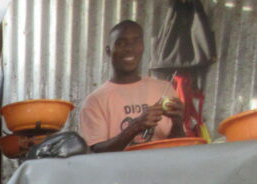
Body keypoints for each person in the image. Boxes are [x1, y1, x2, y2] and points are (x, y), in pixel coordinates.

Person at [78, 20, 185, 152]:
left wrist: (178, 123)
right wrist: (136, 126)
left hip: (163, 165)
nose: (129, 48)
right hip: (122, 166)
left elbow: (178, 148)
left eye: (136, 41)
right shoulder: (95, 101)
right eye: (121, 43)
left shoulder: (164, 89)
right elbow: (97, 152)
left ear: (143, 47)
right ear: (108, 51)